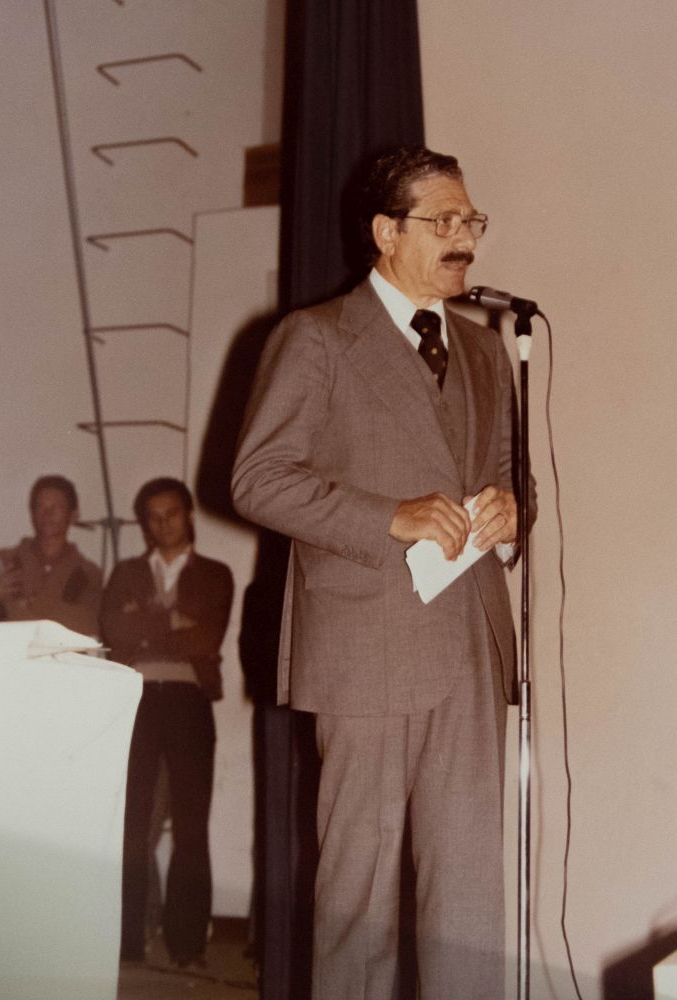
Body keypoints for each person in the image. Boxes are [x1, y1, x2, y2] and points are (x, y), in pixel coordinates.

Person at [231, 145, 536, 1000]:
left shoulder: (486, 351)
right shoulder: (317, 338)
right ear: (384, 231)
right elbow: (257, 479)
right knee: (357, 899)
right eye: (443, 221)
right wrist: (386, 517)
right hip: (363, 648)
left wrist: (512, 514)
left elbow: (512, 477)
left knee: (467, 898)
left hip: (471, 646)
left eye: (470, 221)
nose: (463, 238)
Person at [100, 478, 233, 966]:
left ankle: (187, 944)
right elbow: (114, 633)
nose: (163, 523)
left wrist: (145, 622)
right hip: (135, 698)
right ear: (145, 524)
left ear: (190, 514)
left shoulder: (215, 574)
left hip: (189, 701)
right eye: (153, 517)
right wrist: (175, 622)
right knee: (131, 821)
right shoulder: (127, 572)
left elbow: (207, 639)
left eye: (172, 513)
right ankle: (126, 941)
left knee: (192, 824)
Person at [0, 474, 102, 635]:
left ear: (73, 515)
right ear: (32, 513)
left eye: (56, 507)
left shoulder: (88, 573)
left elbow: (87, 625)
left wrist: (23, 606)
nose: (47, 514)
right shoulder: (3, 561)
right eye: (40, 507)